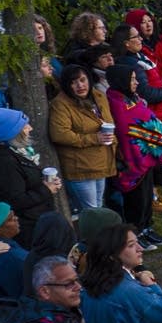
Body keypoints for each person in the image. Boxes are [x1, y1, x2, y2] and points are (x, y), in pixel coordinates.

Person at [0, 106, 63, 243]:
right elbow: (16, 200)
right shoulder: (4, 161)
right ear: (14, 132)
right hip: (30, 227)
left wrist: (48, 184)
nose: (30, 128)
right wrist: (46, 189)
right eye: (25, 126)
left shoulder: (19, 151)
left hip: (39, 218)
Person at [47, 64, 116, 213]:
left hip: (101, 161)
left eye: (82, 80)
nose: (80, 85)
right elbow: (59, 134)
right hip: (80, 167)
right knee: (91, 212)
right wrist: (94, 138)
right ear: (66, 85)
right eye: (73, 82)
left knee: (98, 207)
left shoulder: (98, 96)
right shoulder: (61, 104)